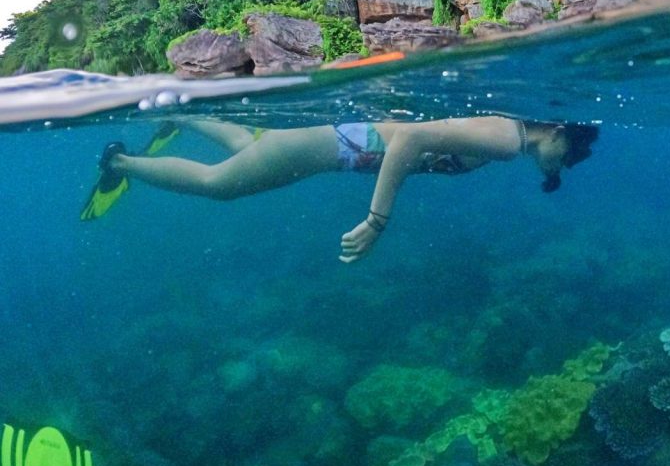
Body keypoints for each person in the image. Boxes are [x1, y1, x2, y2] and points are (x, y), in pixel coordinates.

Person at [91, 117, 599, 263]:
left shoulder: (505, 134)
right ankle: (119, 161)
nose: (562, 165)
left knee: (250, 145)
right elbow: (415, 137)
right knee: (217, 184)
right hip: (326, 149)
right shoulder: (507, 140)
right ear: (557, 130)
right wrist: (377, 221)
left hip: (323, 144)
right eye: (569, 155)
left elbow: (418, 130)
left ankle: (179, 111)